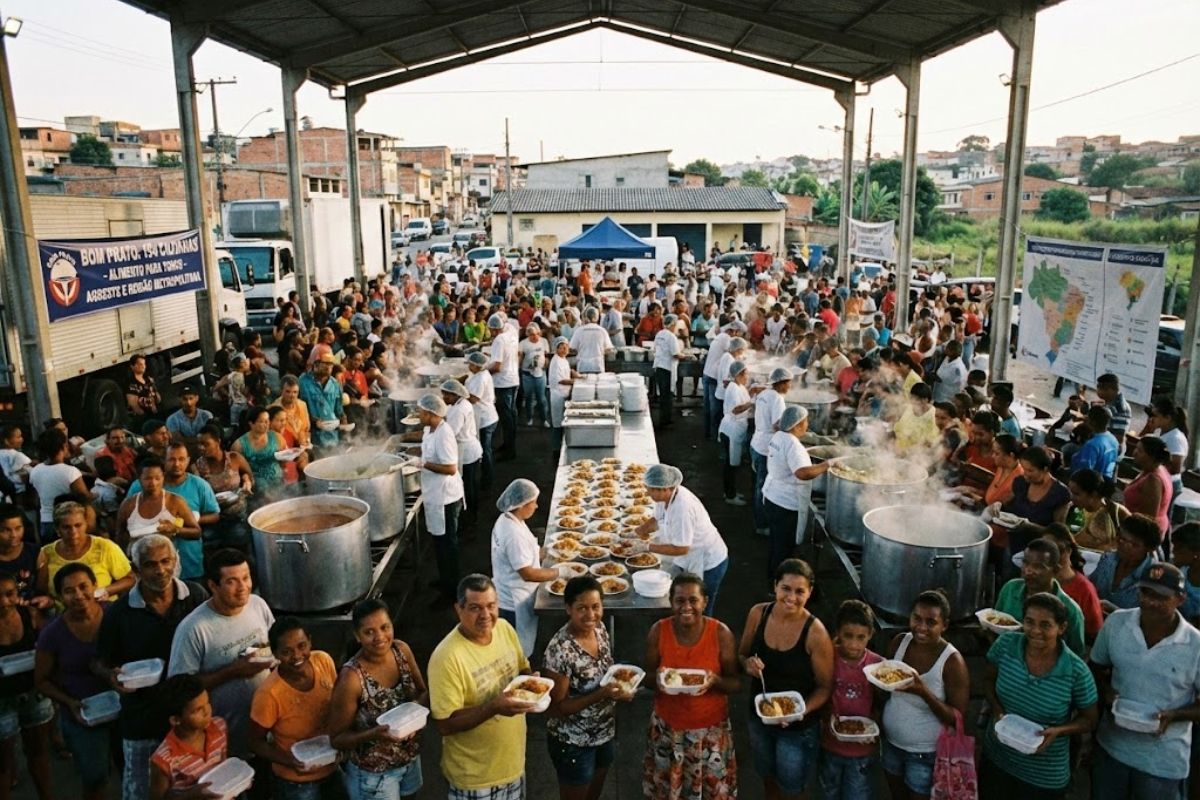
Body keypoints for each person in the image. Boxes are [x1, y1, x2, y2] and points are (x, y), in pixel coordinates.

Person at [96, 534, 208, 799]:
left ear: (176, 561)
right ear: (135, 570)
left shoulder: (195, 596)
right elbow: (100, 661)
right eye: (150, 564)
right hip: (142, 717)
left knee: (195, 785)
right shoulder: (119, 613)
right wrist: (111, 676)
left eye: (166, 561)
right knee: (142, 788)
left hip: (189, 716)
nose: (160, 570)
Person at [1089, 561, 1200, 799]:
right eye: (1145, 592)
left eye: (1161, 597)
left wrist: (1175, 715)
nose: (1150, 601)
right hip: (1112, 748)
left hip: (1161, 762)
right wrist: (1105, 692)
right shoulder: (1117, 623)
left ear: (1180, 599)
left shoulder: (1195, 645)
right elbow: (1095, 668)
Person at [981, 591, 1099, 798]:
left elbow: (1089, 720)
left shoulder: (1076, 671)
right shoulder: (1006, 645)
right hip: (998, 758)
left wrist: (1058, 731)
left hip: (1043, 775)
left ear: (1062, 628)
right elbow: (987, 680)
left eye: (1045, 625)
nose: (1035, 631)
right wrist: (998, 711)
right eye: (1029, 622)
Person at [428, 574, 534, 800]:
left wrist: (532, 681)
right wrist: (493, 707)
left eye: (491, 606)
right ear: (459, 609)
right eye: (475, 608)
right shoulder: (446, 658)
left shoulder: (504, 628)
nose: (485, 615)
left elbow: (522, 667)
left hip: (514, 765)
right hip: (475, 779)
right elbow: (445, 724)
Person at [738, 560, 833, 800]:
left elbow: (825, 687)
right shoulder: (758, 614)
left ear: (810, 592)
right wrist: (746, 664)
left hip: (797, 729)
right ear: (775, 587)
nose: (791, 597)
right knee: (767, 777)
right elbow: (741, 655)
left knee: (792, 789)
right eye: (785, 589)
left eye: (800, 591)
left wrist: (799, 711)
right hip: (760, 716)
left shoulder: (816, 632)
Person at [168, 548, 276, 759]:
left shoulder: (258, 605)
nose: (242, 588)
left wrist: (264, 658)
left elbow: (271, 647)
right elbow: (179, 688)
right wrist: (233, 671)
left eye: (246, 578)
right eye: (231, 582)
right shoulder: (193, 628)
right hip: (224, 743)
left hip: (268, 731)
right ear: (212, 585)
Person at [644, 573, 739, 800]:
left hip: (710, 733)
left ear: (705, 602)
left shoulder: (721, 633)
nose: (686, 607)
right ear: (670, 602)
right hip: (668, 731)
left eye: (693, 600)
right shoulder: (658, 631)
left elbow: (735, 683)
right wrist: (658, 679)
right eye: (680, 600)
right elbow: (646, 678)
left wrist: (715, 681)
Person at [542, 576, 630, 800]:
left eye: (595, 606)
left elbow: (607, 672)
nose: (591, 615)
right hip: (573, 742)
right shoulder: (560, 650)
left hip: (604, 732)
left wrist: (623, 688)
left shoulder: (600, 629)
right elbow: (556, 708)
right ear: (568, 609)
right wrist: (601, 694)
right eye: (582, 608)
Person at [881, 590, 970, 800]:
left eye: (931, 622)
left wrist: (923, 692)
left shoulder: (952, 662)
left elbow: (957, 718)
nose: (921, 627)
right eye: (917, 618)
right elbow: (884, 684)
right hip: (891, 744)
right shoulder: (899, 642)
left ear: (944, 625)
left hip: (925, 754)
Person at [33, 563, 111, 800]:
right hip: (82, 715)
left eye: (83, 586)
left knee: (134, 770)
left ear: (95, 586)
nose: (78, 595)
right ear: (59, 596)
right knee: (94, 779)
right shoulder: (52, 633)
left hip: (123, 706)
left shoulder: (115, 615)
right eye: (69, 591)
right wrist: (69, 703)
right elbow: (41, 681)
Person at [249, 618, 344, 799]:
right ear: (275, 654)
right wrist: (291, 761)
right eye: (286, 652)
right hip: (297, 783)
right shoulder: (269, 694)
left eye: (302, 646)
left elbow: (339, 706)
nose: (297, 656)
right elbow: (255, 743)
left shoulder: (323, 661)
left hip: (331, 766)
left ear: (310, 642)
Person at [638, 464, 730, 615]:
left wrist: (646, 547)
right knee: (687, 603)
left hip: (708, 562)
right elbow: (657, 518)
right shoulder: (665, 498)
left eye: (650, 489)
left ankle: (703, 628)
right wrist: (638, 531)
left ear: (664, 489)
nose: (647, 492)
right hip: (690, 557)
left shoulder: (682, 509)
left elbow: (681, 548)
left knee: (699, 606)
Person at [819, 600, 883, 800]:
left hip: (862, 750)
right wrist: (827, 717)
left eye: (861, 637)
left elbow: (881, 703)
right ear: (838, 632)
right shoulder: (828, 658)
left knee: (857, 794)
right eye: (848, 636)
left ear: (870, 635)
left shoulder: (877, 665)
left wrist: (874, 728)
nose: (854, 645)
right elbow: (819, 690)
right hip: (830, 745)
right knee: (828, 793)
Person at [0, 569, 52, 800]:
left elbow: (47, 646)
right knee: (3, 763)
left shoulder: (29, 614)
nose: (4, 602)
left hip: (33, 694)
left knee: (38, 753)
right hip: (2, 700)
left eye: (9, 594)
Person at [490, 479, 556, 658]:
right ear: (521, 505)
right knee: (517, 651)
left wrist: (550, 552)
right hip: (514, 600)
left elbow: (527, 553)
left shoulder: (508, 519)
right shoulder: (513, 534)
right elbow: (527, 573)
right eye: (533, 502)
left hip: (508, 589)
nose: (536, 506)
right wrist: (558, 573)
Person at [762, 406, 829, 579]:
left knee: (776, 544)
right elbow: (802, 473)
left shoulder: (779, 435)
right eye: (805, 421)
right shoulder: (793, 445)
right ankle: (778, 584)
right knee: (784, 549)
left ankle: (772, 580)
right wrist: (828, 465)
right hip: (786, 504)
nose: (807, 424)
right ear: (797, 425)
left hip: (772, 497)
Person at [120, 451, 208, 580]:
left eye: (157, 478)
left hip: (168, 569)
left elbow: (196, 532)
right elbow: (120, 535)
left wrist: (175, 529)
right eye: (147, 478)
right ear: (139, 479)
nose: (153, 483)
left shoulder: (175, 502)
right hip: (140, 569)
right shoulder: (128, 505)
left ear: (163, 477)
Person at [994, 539, 1086, 656]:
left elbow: (1076, 654)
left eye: (1038, 567)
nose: (1028, 571)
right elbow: (995, 622)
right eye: (1025, 563)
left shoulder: (1070, 610)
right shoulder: (1010, 589)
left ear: (1056, 570)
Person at [416, 392, 465, 608]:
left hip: (446, 497)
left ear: (431, 413)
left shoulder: (444, 434)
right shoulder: (430, 429)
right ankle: (444, 579)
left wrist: (423, 464)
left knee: (448, 544)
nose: (419, 415)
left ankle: (452, 591)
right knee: (439, 541)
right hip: (434, 493)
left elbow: (451, 468)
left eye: (421, 412)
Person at [37, 500, 133, 605]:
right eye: (66, 527)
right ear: (57, 529)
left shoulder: (104, 547)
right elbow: (42, 591)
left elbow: (130, 579)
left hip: (102, 609)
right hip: (62, 612)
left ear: (86, 525)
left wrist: (104, 591)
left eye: (78, 525)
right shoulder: (45, 553)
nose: (73, 532)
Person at [148, 675, 226, 800]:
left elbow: (224, 766)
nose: (207, 711)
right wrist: (191, 795)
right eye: (198, 710)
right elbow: (158, 798)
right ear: (175, 720)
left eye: (207, 702)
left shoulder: (219, 726)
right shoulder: (164, 759)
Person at [193, 425, 254, 552]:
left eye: (206, 444)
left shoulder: (234, 458)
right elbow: (196, 495)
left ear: (218, 442)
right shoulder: (198, 466)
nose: (201, 447)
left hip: (238, 518)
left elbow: (248, 476)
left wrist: (247, 482)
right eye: (199, 444)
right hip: (213, 521)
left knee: (241, 552)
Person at [1039, 524, 1104, 641]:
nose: (1051, 556)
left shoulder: (1084, 589)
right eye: (1045, 550)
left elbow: (1094, 634)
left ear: (1068, 551)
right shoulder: (1036, 580)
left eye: (1057, 550)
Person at [750, 368, 793, 537]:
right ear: (781, 383)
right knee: (763, 487)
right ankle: (761, 524)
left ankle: (757, 516)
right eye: (788, 383)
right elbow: (777, 425)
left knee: (757, 484)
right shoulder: (777, 399)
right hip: (766, 447)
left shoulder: (764, 394)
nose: (790, 386)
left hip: (756, 441)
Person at [1091, 513, 1161, 614]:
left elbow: (1147, 616)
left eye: (1134, 545)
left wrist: (1114, 610)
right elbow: (1091, 585)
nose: (1124, 546)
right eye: (1122, 539)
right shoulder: (1108, 559)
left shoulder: (1153, 577)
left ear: (1149, 549)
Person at [27, 430, 86, 542]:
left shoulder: (35, 470)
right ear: (64, 446)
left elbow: (36, 501)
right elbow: (84, 497)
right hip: (68, 523)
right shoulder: (71, 472)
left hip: (46, 522)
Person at [441, 380, 483, 528]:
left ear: (455, 395)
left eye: (446, 395)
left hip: (466, 452)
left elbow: (450, 434)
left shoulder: (459, 410)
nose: (443, 398)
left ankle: (470, 519)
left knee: (468, 486)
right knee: (471, 484)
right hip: (470, 448)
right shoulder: (461, 404)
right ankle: (472, 515)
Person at [717, 361, 753, 507]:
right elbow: (736, 409)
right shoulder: (733, 388)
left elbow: (744, 400)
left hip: (735, 429)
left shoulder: (739, 386)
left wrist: (753, 393)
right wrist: (753, 403)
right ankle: (730, 496)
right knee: (730, 464)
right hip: (731, 429)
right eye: (746, 374)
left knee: (732, 463)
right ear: (738, 375)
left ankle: (729, 492)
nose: (748, 377)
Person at [1123, 436, 1172, 539]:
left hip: (1142, 536)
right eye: (1136, 448)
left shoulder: (1153, 480)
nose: (1134, 453)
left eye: (1140, 451)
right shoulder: (1153, 469)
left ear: (1152, 457)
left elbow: (1148, 518)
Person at [487, 314, 520, 461]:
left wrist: (482, 371)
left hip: (502, 383)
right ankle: (508, 445)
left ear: (494, 329)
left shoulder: (499, 340)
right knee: (511, 416)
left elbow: (497, 366)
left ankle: (509, 451)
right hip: (513, 379)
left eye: (491, 330)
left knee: (506, 418)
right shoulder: (511, 333)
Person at [465, 352, 499, 490]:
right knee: (486, 449)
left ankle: (488, 481)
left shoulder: (480, 378)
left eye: (470, 364)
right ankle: (487, 477)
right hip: (487, 416)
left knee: (485, 451)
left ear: (476, 366)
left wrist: (459, 395)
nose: (468, 366)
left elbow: (474, 399)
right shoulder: (481, 374)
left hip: (485, 419)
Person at [233, 407, 286, 496]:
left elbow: (283, 459)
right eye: (262, 421)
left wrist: (287, 459)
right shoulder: (239, 445)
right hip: (257, 486)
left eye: (267, 420)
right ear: (251, 424)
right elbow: (238, 470)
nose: (267, 424)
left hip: (278, 480)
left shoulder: (277, 437)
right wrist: (247, 480)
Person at [299, 353, 345, 451]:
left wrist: (343, 420)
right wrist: (313, 421)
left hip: (332, 435)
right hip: (312, 435)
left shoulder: (335, 384)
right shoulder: (303, 382)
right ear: (316, 365)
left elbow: (339, 410)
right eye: (325, 364)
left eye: (331, 365)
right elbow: (297, 407)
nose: (328, 367)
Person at [0, 505, 45, 605]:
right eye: (6, 530)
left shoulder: (35, 552)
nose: (13, 535)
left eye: (18, 528)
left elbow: (41, 590)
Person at [652, 314, 684, 428]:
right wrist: (684, 356)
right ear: (673, 324)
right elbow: (675, 354)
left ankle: (663, 418)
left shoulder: (659, 334)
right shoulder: (671, 337)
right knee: (667, 395)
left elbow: (654, 349)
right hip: (667, 368)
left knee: (663, 395)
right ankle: (666, 420)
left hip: (659, 366)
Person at [1071, 406, 1119, 481]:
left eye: (1088, 417)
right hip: (1106, 481)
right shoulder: (1114, 440)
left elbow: (1084, 473)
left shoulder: (1091, 445)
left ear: (1093, 422)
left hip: (1089, 484)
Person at [546, 336, 576, 453]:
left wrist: (574, 373)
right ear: (556, 349)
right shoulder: (555, 362)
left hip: (564, 394)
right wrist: (575, 382)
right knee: (557, 423)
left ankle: (562, 447)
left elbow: (566, 372)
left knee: (563, 422)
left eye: (566, 347)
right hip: (557, 395)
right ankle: (556, 450)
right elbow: (561, 380)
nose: (565, 350)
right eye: (562, 348)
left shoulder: (563, 359)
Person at [893, 382, 939, 452]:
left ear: (926, 399)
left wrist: (907, 450)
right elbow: (897, 428)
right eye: (913, 398)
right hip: (897, 447)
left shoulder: (933, 415)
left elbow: (929, 442)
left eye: (919, 399)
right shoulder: (908, 408)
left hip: (915, 453)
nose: (916, 402)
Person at [126, 354, 162, 420]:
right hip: (142, 419)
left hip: (154, 414)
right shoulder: (132, 385)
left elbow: (158, 398)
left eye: (144, 364)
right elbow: (134, 406)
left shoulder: (148, 380)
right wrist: (144, 417)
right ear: (132, 367)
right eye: (140, 364)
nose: (143, 366)